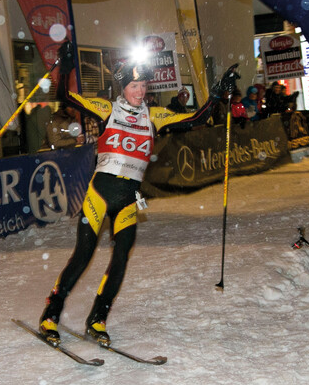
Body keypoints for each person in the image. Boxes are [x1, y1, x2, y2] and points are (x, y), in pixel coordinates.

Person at [38, 41, 239, 346]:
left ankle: (98, 319)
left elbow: (196, 119)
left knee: (120, 259)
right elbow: (65, 96)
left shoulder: (154, 116)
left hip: (128, 198)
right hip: (100, 193)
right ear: (123, 87)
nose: (140, 91)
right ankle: (51, 314)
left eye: (143, 85)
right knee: (82, 257)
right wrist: (66, 65)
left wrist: (216, 93)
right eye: (134, 85)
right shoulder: (106, 109)